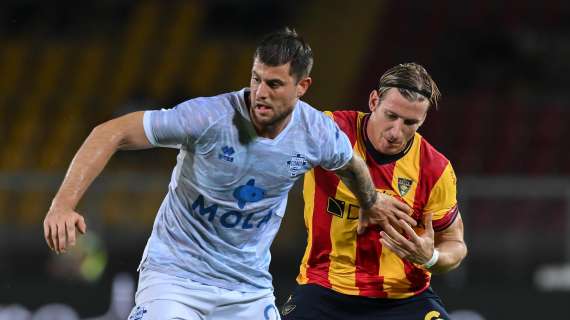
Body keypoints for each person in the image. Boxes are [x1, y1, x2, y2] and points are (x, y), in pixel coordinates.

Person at [42, 28, 415, 320]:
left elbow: (351, 164)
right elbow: (111, 132)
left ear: (302, 87)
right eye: (255, 79)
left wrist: (369, 202)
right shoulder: (208, 118)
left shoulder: (317, 132)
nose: (260, 93)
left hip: (246, 287)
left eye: (274, 84)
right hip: (176, 275)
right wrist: (63, 204)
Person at [282, 63, 467, 320]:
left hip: (403, 299)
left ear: (423, 120)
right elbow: (274, 146)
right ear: (373, 101)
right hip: (324, 290)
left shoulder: (435, 169)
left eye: (410, 122)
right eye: (391, 115)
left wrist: (432, 257)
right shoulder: (330, 130)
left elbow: (455, 244)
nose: (396, 132)